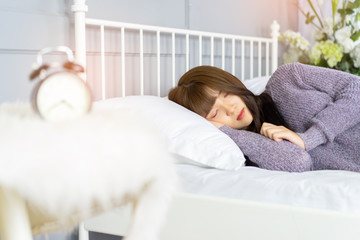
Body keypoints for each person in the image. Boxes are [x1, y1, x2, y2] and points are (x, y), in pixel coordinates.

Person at [168, 63, 360, 172]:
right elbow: (298, 162)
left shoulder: (286, 79)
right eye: (215, 113)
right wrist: (225, 132)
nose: (231, 108)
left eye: (226, 94)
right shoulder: (253, 147)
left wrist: (310, 137)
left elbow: (355, 88)